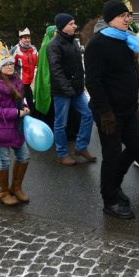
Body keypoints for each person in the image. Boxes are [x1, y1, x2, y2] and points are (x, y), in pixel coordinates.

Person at [85, 0, 139, 219]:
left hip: (127, 109)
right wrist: (105, 113)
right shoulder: (98, 44)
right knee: (111, 155)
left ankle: (114, 184)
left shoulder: (126, 40)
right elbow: (93, 81)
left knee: (137, 145)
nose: (127, 18)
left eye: (128, 15)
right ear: (109, 18)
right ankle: (109, 200)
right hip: (108, 112)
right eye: (122, 15)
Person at [47, 13, 95, 165]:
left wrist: (83, 83)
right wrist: (68, 89)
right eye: (71, 23)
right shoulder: (53, 45)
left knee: (88, 115)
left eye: (74, 23)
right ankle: (62, 154)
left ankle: (81, 147)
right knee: (61, 123)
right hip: (62, 91)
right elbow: (56, 71)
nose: (74, 26)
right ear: (62, 26)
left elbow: (78, 67)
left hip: (77, 89)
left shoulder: (73, 42)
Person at [0, 56, 31, 206]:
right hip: (1, 130)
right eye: (6, 64)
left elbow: (20, 99)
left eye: (11, 63)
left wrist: (24, 106)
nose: (10, 66)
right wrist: (16, 113)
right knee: (4, 161)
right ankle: (3, 192)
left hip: (16, 128)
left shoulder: (16, 81)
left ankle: (16, 188)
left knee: (24, 157)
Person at [12, 28, 38, 113]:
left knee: (30, 104)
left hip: (29, 82)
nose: (27, 40)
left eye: (28, 37)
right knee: (21, 105)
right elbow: (9, 64)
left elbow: (38, 62)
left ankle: (31, 121)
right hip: (19, 82)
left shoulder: (33, 49)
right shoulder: (16, 49)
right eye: (25, 38)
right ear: (20, 39)